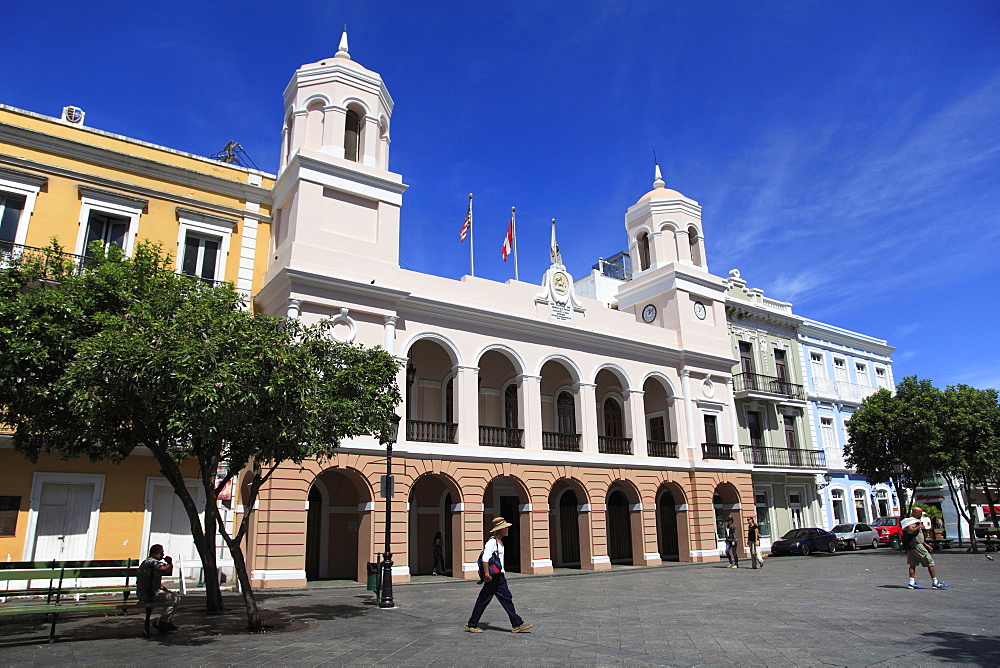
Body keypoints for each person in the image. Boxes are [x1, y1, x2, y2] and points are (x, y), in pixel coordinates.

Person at [464, 517, 532, 634]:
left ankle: (516, 624)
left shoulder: (499, 542)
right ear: (500, 529)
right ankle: (473, 624)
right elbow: (485, 558)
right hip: (494, 576)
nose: (507, 529)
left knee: (504, 598)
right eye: (505, 527)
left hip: (499, 576)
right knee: (486, 599)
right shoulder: (491, 542)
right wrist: (486, 575)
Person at [137, 544, 181, 631]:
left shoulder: (147, 562)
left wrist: (166, 590)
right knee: (175, 599)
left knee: (172, 597)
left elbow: (153, 582)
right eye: (162, 553)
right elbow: (164, 569)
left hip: (144, 592)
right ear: (155, 553)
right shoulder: (153, 562)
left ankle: (167, 621)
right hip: (149, 594)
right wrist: (169, 562)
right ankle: (163, 622)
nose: (163, 555)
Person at [902, 507, 947, 590]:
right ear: (915, 513)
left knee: (913, 564)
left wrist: (926, 545)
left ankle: (911, 583)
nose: (921, 515)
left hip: (914, 545)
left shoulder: (914, 521)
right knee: (930, 562)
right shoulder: (911, 521)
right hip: (916, 546)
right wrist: (919, 526)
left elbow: (917, 536)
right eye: (919, 513)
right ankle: (935, 582)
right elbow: (910, 531)